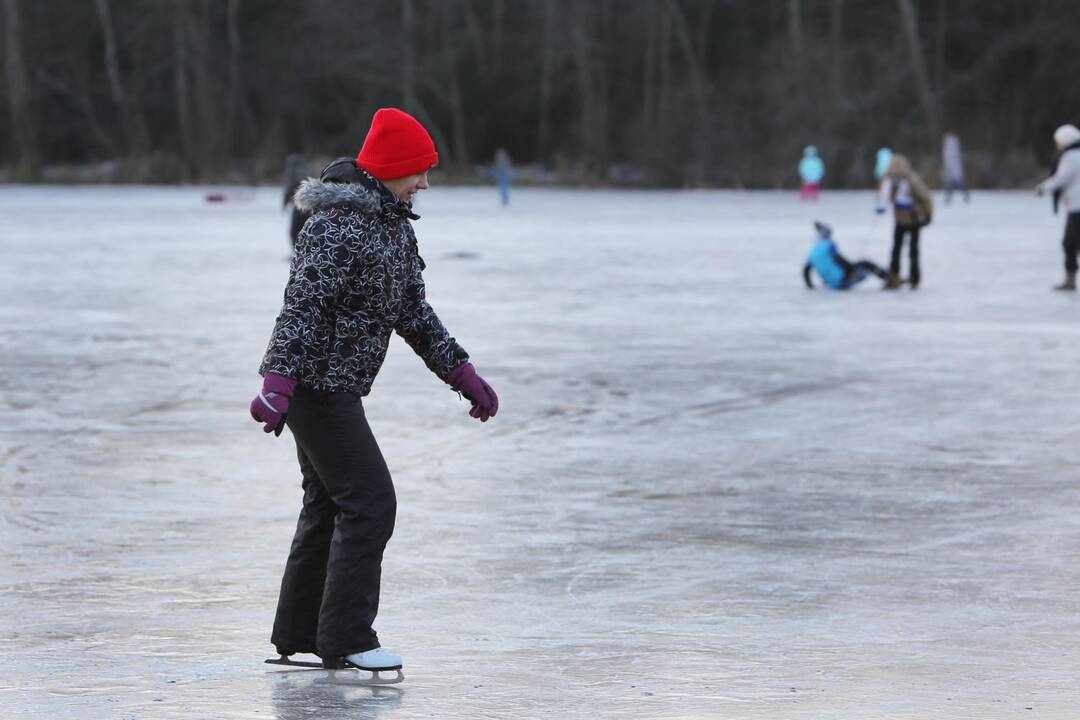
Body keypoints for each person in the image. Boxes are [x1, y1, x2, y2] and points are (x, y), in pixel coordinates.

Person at [250, 108, 499, 677]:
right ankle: (347, 638)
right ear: (388, 168)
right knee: (369, 502)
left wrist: (461, 373)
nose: (425, 183)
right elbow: (303, 307)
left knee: (328, 503)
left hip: (335, 389)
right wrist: (278, 382)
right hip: (316, 391)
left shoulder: (393, 226)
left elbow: (412, 311)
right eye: (418, 170)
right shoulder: (337, 225)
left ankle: (301, 633)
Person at [875, 153, 932, 289]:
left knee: (913, 251)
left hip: (914, 220)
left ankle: (914, 279)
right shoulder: (888, 181)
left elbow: (926, 197)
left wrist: (928, 215)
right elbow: (882, 196)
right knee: (896, 249)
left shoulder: (912, 180)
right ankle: (893, 278)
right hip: (899, 220)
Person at [1036, 124, 1080, 291]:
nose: (1057, 146)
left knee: (1070, 243)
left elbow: (1061, 178)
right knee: (1071, 243)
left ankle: (1070, 280)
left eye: (1059, 142)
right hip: (1075, 206)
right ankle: (1070, 279)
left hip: (1077, 207)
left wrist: (1043, 188)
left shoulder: (1072, 156)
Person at [803, 221, 901, 290]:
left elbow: (806, 270)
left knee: (861, 264)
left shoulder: (813, 250)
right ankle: (890, 280)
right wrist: (852, 270)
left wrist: (810, 286)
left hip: (831, 284)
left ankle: (890, 278)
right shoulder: (828, 245)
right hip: (842, 280)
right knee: (865, 263)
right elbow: (839, 260)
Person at [282, 154, 312, 253]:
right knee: (306, 230)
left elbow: (289, 188)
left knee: (294, 231)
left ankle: (297, 252)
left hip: (298, 205)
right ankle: (306, 251)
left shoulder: (292, 172)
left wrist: (285, 203)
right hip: (309, 205)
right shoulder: (307, 171)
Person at [941, 132, 969, 204]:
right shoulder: (952, 143)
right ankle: (949, 196)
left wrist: (948, 166)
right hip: (952, 166)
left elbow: (949, 157)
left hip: (952, 167)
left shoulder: (950, 144)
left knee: (955, 182)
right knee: (950, 183)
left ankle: (964, 193)